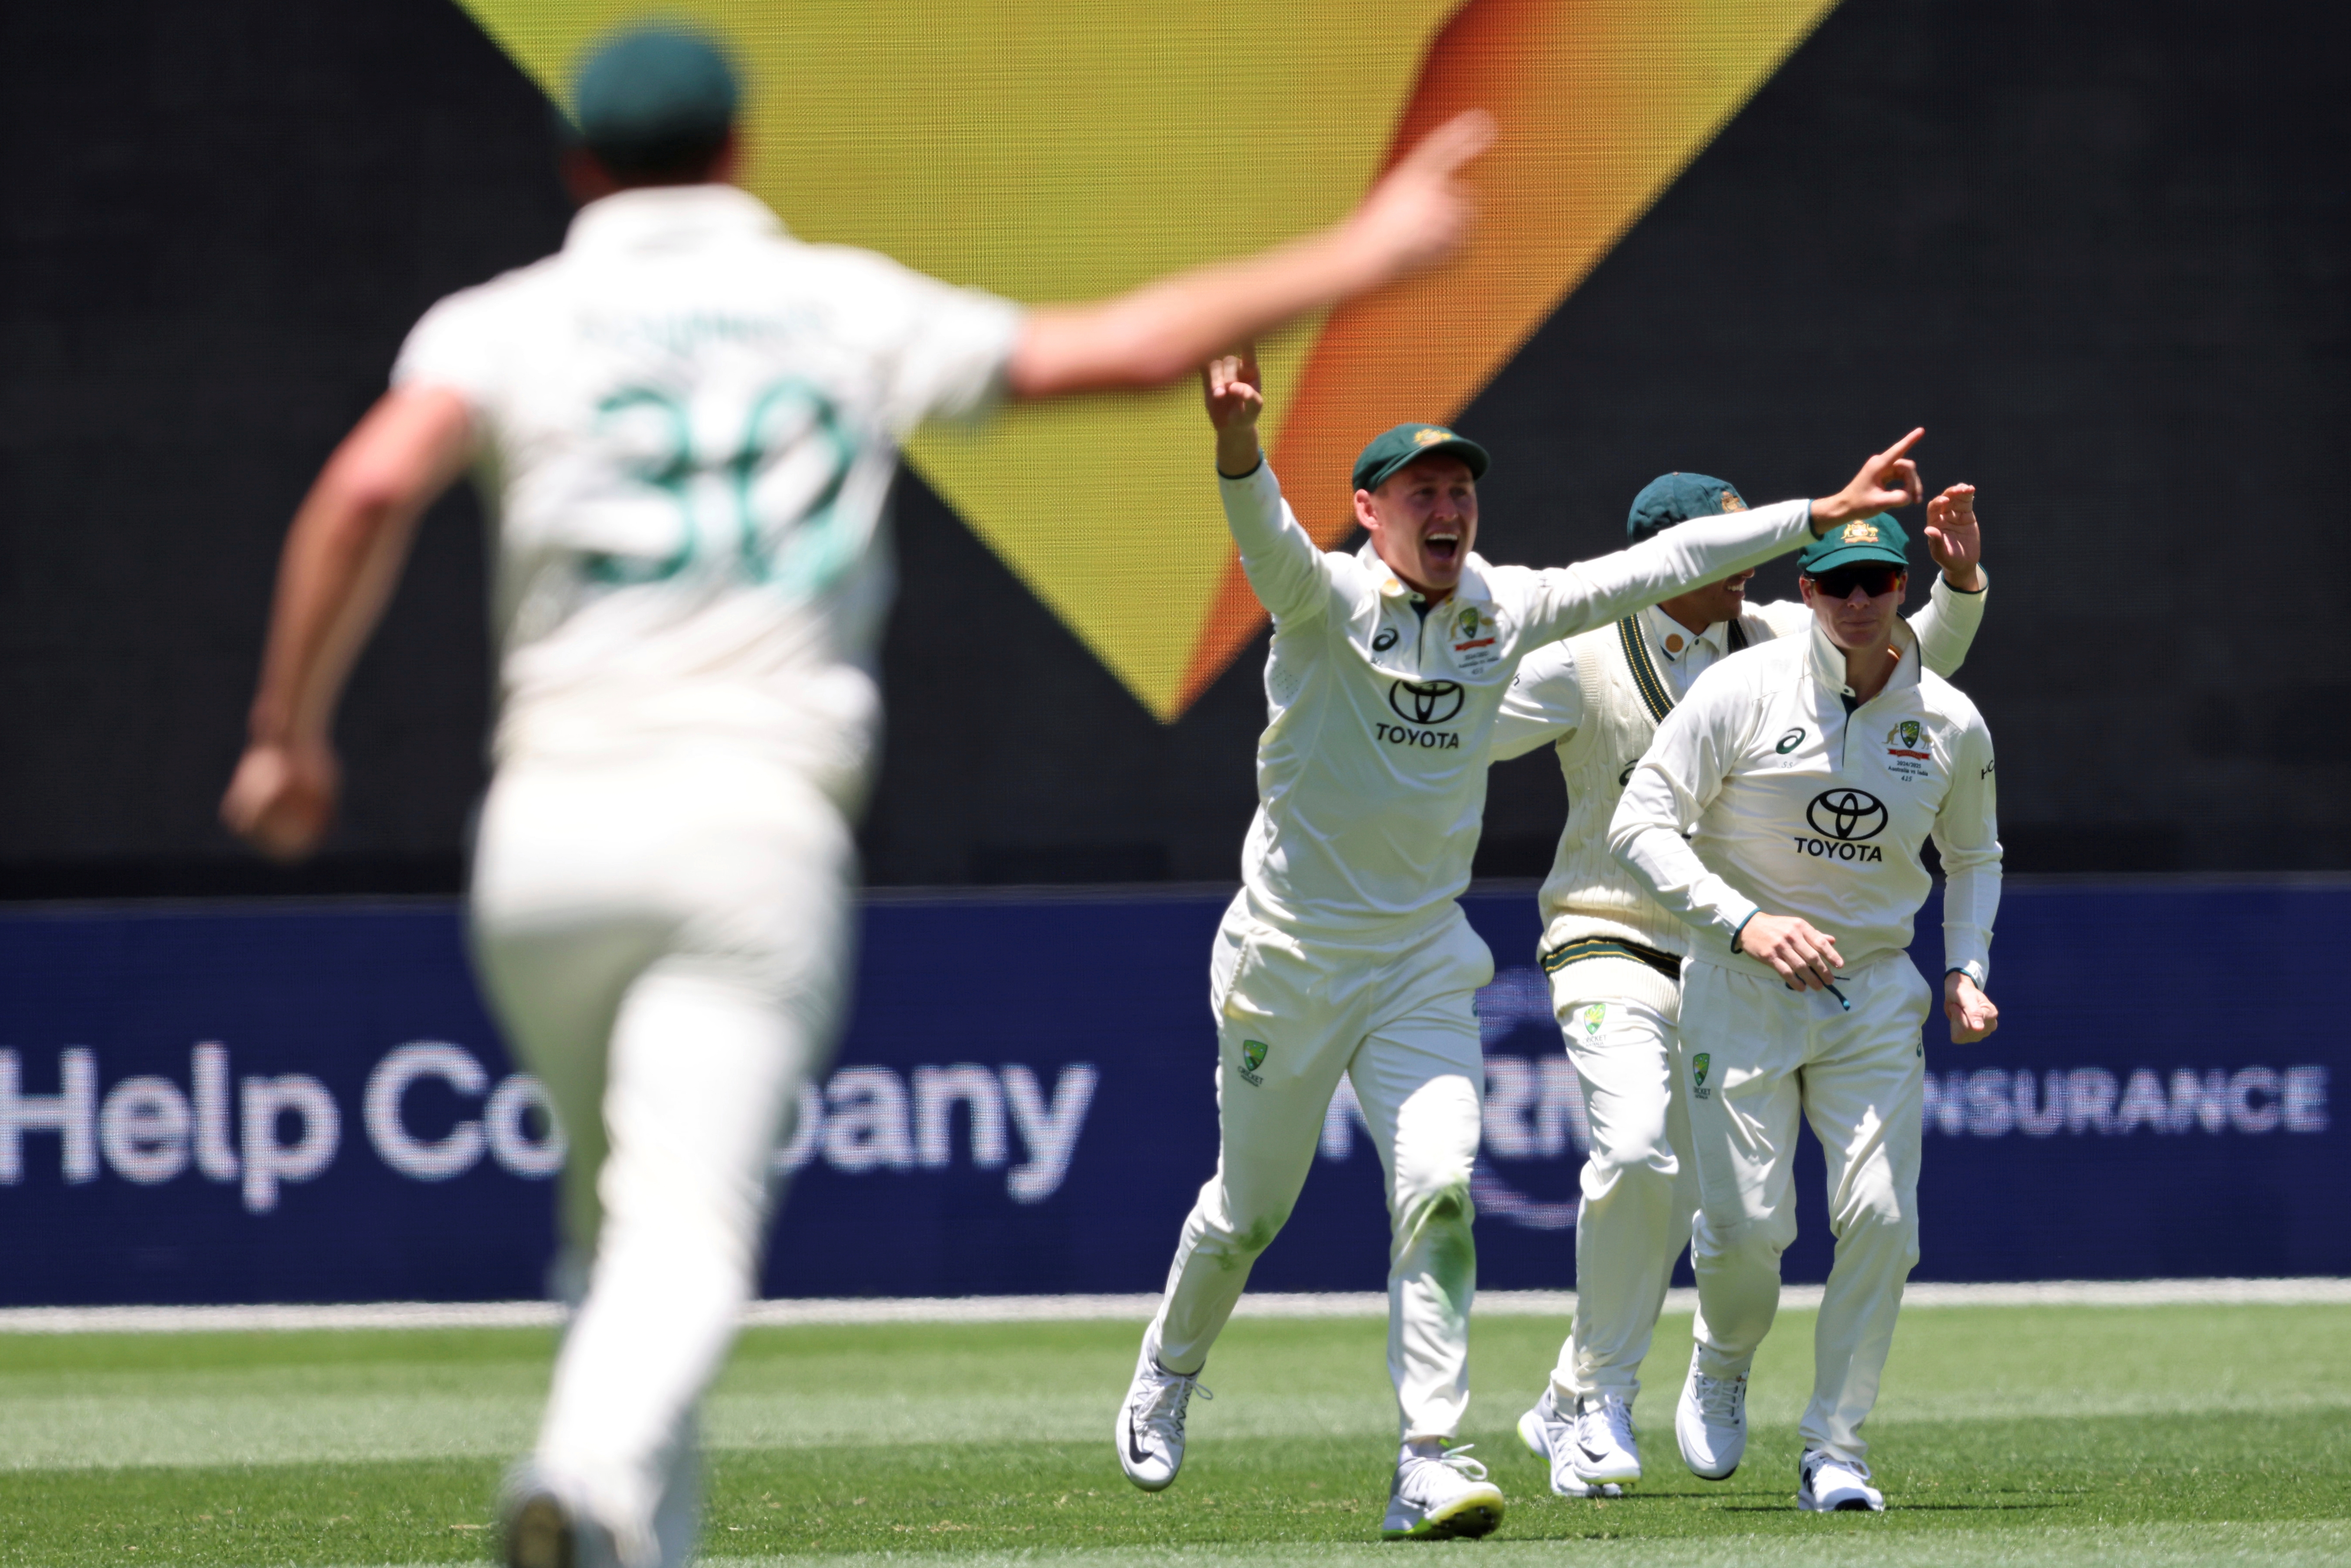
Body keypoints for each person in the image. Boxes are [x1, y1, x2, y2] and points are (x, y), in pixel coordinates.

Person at [217, 24, 1499, 1568]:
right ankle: (588, 1470)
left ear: (576, 167)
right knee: (683, 1224)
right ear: (742, 154)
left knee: (607, 1226)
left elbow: (366, 488)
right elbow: (1125, 349)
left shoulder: (500, 320)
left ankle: (622, 1503)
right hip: (746, 827)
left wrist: (286, 730)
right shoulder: (834, 304)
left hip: (545, 831)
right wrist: (1362, 249)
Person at [1114, 347, 1931, 1540]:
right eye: (1418, 494)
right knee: (1246, 1212)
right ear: (1368, 514)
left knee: (1439, 1194)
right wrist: (1237, 443)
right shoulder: (1324, 602)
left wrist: (1814, 514)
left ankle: (1428, 1457)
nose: (1444, 511)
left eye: (1459, 493)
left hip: (1416, 969)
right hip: (1288, 958)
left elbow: (1662, 563)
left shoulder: (1503, 610)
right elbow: (1264, 534)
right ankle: (1168, 1370)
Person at [1488, 474, 1989, 1498]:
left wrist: (1964, 584)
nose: (1753, 560)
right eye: (1724, 544)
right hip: (1621, 933)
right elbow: (1454, 733)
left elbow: (1908, 672)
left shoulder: (1769, 626)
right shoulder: (1583, 658)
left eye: (1869, 581)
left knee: (1847, 1216)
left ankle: (1814, 1438)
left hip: (1815, 965)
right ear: (1666, 558)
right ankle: (1597, 1392)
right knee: (1646, 1160)